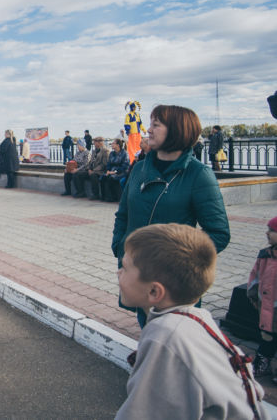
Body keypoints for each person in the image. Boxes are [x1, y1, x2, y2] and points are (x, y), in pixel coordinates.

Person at [116, 223, 267, 420]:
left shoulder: (164, 335)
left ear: (154, 291)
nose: (118, 272)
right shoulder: (198, 318)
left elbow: (140, 414)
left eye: (125, 268)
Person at [112, 105, 230, 328]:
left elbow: (219, 233)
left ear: (177, 130)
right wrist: (120, 246)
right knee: (147, 327)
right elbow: (123, 214)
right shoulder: (139, 169)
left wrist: (180, 265)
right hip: (139, 272)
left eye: (156, 124)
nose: (148, 130)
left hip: (174, 283)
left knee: (177, 336)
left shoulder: (198, 174)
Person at [247, 216, 277, 379]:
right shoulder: (264, 255)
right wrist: (252, 292)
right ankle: (262, 364)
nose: (268, 233)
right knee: (267, 336)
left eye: (272, 231)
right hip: (266, 306)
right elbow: (255, 275)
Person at [101, 138, 130, 203]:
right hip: (111, 171)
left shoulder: (124, 153)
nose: (112, 145)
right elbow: (109, 163)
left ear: (118, 145)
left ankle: (114, 197)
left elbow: (125, 166)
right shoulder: (112, 153)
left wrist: (115, 172)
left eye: (113, 143)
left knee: (112, 178)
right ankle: (104, 196)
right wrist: (108, 170)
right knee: (103, 177)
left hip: (121, 172)